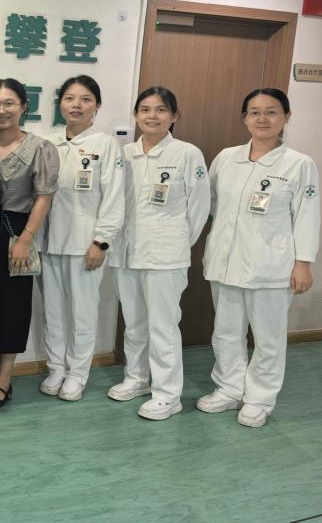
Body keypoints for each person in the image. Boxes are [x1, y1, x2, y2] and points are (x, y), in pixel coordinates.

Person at [198, 88, 319, 428]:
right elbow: (210, 204)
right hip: (224, 261)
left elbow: (308, 216)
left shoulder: (299, 164)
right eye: (254, 112)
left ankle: (260, 398)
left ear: (286, 117)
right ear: (244, 118)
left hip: (271, 266)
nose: (262, 118)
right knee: (225, 332)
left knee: (268, 338)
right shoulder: (226, 158)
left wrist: (303, 263)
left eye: (271, 111)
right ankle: (229, 389)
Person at [107, 87, 209, 420]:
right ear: (136, 115)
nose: (152, 116)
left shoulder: (187, 154)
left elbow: (199, 208)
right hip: (126, 251)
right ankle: (136, 378)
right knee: (134, 322)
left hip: (166, 255)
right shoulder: (125, 154)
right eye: (145, 109)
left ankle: (167, 394)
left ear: (174, 116)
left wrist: (177, 241)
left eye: (161, 109)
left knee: (163, 326)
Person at [0, 78, 59, 410]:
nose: (1, 110)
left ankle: (5, 376)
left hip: (17, 232)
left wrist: (25, 239)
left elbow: (43, 198)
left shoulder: (40, 148)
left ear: (24, 106)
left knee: (13, 304)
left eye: (9, 103)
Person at [39, 75, 125, 402]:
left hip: (86, 245)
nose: (77, 105)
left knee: (82, 313)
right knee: (53, 312)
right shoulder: (47, 143)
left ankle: (77, 374)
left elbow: (114, 197)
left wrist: (101, 241)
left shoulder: (105, 145)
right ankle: (56, 368)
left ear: (97, 105)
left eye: (86, 99)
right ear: (60, 103)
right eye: (70, 98)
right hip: (48, 243)